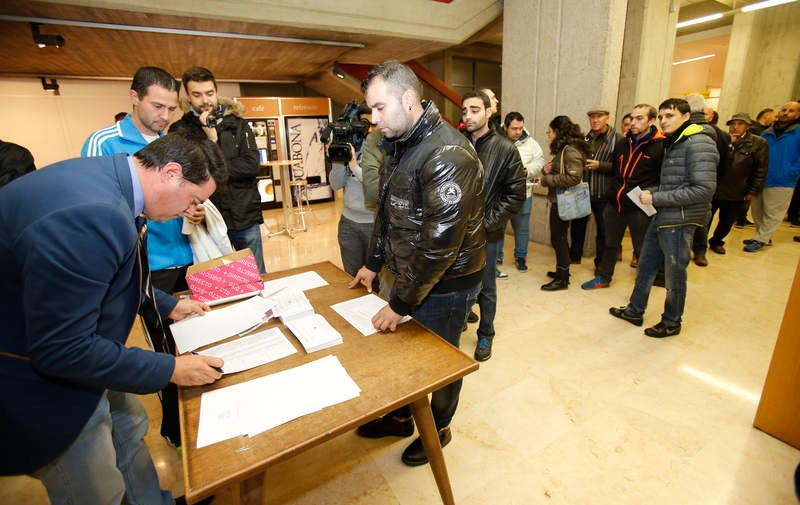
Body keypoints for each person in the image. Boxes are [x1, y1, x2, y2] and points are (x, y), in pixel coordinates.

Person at [0, 134, 226, 505]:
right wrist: (170, 368)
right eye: (193, 200)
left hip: (91, 348)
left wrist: (166, 304)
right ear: (171, 173)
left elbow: (110, 273)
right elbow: (63, 350)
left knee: (128, 431)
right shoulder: (92, 213)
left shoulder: (116, 178)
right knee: (95, 485)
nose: (190, 210)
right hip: (38, 382)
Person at [349, 60, 485, 467]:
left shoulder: (446, 153)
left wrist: (400, 303)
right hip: (410, 274)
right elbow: (388, 212)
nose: (373, 120)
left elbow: (440, 246)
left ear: (408, 99)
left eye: (378, 108)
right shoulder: (402, 143)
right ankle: (402, 414)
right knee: (402, 359)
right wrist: (373, 263)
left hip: (447, 283)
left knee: (440, 365)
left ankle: (437, 428)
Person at [82, 66, 200, 446]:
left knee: (201, 338)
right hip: (146, 266)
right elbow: (98, 208)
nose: (164, 116)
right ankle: (177, 428)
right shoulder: (104, 142)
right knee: (167, 351)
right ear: (134, 97)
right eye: (157, 105)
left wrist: (192, 210)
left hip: (185, 252)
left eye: (171, 108)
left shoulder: (173, 142)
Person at [609, 98, 717, 338]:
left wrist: (657, 197)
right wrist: (654, 193)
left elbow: (704, 189)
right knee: (646, 265)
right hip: (663, 215)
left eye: (670, 115)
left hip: (680, 219)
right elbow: (674, 183)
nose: (664, 121)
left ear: (686, 116)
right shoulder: (676, 141)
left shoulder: (699, 143)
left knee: (674, 274)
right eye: (661, 116)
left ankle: (671, 321)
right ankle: (635, 310)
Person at [169, 66, 265, 273]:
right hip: (207, 221)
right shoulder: (179, 130)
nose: (205, 100)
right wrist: (211, 140)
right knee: (217, 281)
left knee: (256, 276)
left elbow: (250, 165)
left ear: (217, 92)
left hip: (244, 215)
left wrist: (213, 164)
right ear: (188, 96)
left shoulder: (238, 124)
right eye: (197, 94)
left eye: (209, 93)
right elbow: (187, 174)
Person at [462, 91, 525, 362]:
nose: (468, 116)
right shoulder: (457, 144)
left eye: (475, 110)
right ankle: (461, 318)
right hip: (456, 233)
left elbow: (516, 194)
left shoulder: (505, 148)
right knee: (458, 282)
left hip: (486, 234)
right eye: (464, 111)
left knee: (486, 287)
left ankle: (486, 333)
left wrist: (488, 223)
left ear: (489, 112)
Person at [581, 104, 665, 290]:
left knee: (642, 249)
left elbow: (665, 179)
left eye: (639, 118)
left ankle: (642, 287)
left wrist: (652, 194)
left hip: (640, 207)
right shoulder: (623, 143)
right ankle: (604, 277)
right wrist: (613, 192)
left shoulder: (660, 146)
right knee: (610, 243)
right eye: (632, 118)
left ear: (651, 121)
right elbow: (616, 171)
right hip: (615, 203)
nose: (633, 123)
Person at [328, 102, 381, 290]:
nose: (367, 130)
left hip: (373, 224)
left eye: (372, 124)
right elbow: (335, 185)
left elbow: (378, 187)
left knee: (376, 280)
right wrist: (337, 159)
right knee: (351, 276)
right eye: (363, 124)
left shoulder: (383, 148)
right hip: (348, 223)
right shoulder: (351, 146)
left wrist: (355, 167)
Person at [539, 116, 592, 291]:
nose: (549, 136)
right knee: (559, 238)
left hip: (563, 201)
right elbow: (559, 170)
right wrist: (546, 169)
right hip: (558, 200)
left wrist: (546, 180)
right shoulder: (564, 150)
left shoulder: (570, 151)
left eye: (550, 132)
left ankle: (562, 279)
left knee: (559, 239)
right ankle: (562, 272)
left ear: (557, 132)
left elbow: (573, 177)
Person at [707, 113, 768, 254]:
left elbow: (761, 169)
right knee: (706, 218)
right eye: (733, 124)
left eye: (740, 124)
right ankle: (699, 244)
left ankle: (717, 241)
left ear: (747, 126)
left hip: (737, 189)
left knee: (727, 220)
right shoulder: (721, 139)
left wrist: (753, 190)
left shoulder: (758, 143)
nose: (735, 127)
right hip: (715, 187)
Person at [570, 107, 622, 270]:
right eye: (592, 117)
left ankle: (600, 264)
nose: (595, 120)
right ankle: (574, 256)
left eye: (599, 117)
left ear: (607, 118)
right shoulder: (586, 138)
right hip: (583, 190)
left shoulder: (618, 140)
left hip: (604, 192)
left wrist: (601, 166)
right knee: (577, 226)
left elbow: (621, 167)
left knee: (603, 231)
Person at [744, 101, 800, 252]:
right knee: (757, 210)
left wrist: (792, 171)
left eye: (791, 111)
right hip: (761, 178)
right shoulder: (767, 132)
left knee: (773, 213)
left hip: (783, 180)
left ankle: (761, 239)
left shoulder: (798, 132)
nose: (785, 113)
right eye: (783, 110)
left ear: (798, 114)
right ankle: (762, 235)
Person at [685, 93, 730, 267]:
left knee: (701, 221)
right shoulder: (678, 132)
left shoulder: (719, 136)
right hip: (690, 186)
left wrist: (712, 183)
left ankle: (700, 251)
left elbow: (725, 164)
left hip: (703, 188)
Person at [499, 111, 546, 272]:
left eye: (520, 128)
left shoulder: (531, 143)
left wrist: (528, 170)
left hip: (523, 194)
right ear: (506, 127)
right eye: (514, 128)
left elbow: (540, 160)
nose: (518, 132)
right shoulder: (496, 140)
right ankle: (497, 257)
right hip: (500, 194)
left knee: (522, 228)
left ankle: (520, 257)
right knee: (498, 227)